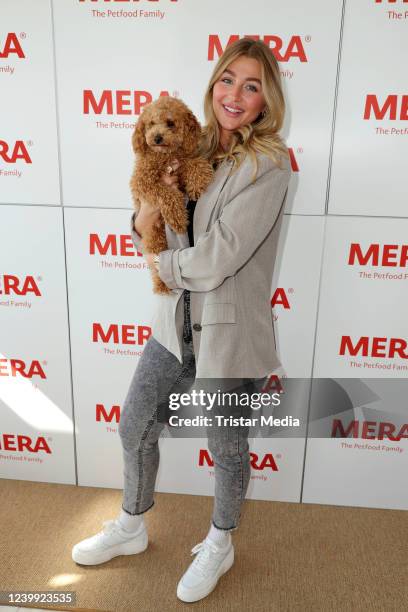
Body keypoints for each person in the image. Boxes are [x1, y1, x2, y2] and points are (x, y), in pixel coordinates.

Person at [72, 37, 291, 603]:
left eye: (251, 85)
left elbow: (220, 254)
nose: (235, 94)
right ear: (213, 84)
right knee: (134, 425)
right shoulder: (188, 143)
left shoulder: (269, 164)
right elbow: (145, 216)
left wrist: (158, 262)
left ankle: (220, 542)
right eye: (227, 79)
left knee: (226, 447)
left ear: (267, 99)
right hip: (174, 323)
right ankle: (132, 525)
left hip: (228, 332)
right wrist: (144, 216)